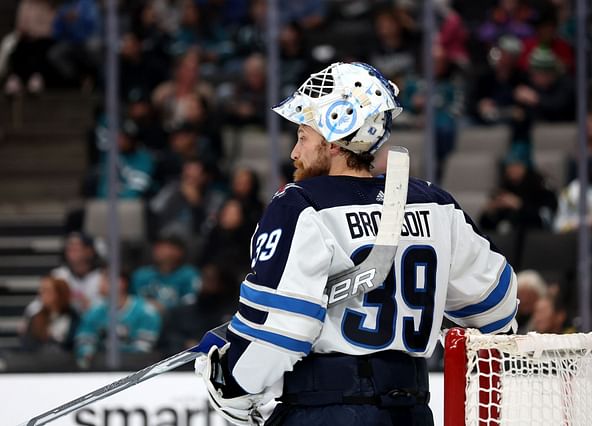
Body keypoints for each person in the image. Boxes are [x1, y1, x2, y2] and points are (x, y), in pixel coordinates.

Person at [194, 62, 519, 426]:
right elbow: (496, 305)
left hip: (326, 412)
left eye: (302, 136)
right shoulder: (435, 203)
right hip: (412, 412)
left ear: (334, 138)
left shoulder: (301, 205)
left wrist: (231, 379)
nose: (294, 153)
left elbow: (279, 333)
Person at [75, 268, 162, 369]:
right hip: (101, 367)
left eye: (105, 280)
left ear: (121, 283)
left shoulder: (145, 311)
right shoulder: (95, 311)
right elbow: (85, 338)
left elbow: (143, 348)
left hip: (136, 369)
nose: (100, 284)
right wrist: (87, 353)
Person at [130, 236, 201, 314]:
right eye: (157, 247)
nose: (157, 250)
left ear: (178, 252)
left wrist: (165, 308)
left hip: (177, 319)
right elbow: (129, 301)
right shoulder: (140, 275)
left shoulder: (189, 275)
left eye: (163, 247)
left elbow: (192, 302)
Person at [20, 276, 80, 352]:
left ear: (60, 294)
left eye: (47, 291)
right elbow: (28, 345)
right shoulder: (35, 318)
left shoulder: (74, 318)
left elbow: (74, 344)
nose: (42, 294)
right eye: (41, 290)